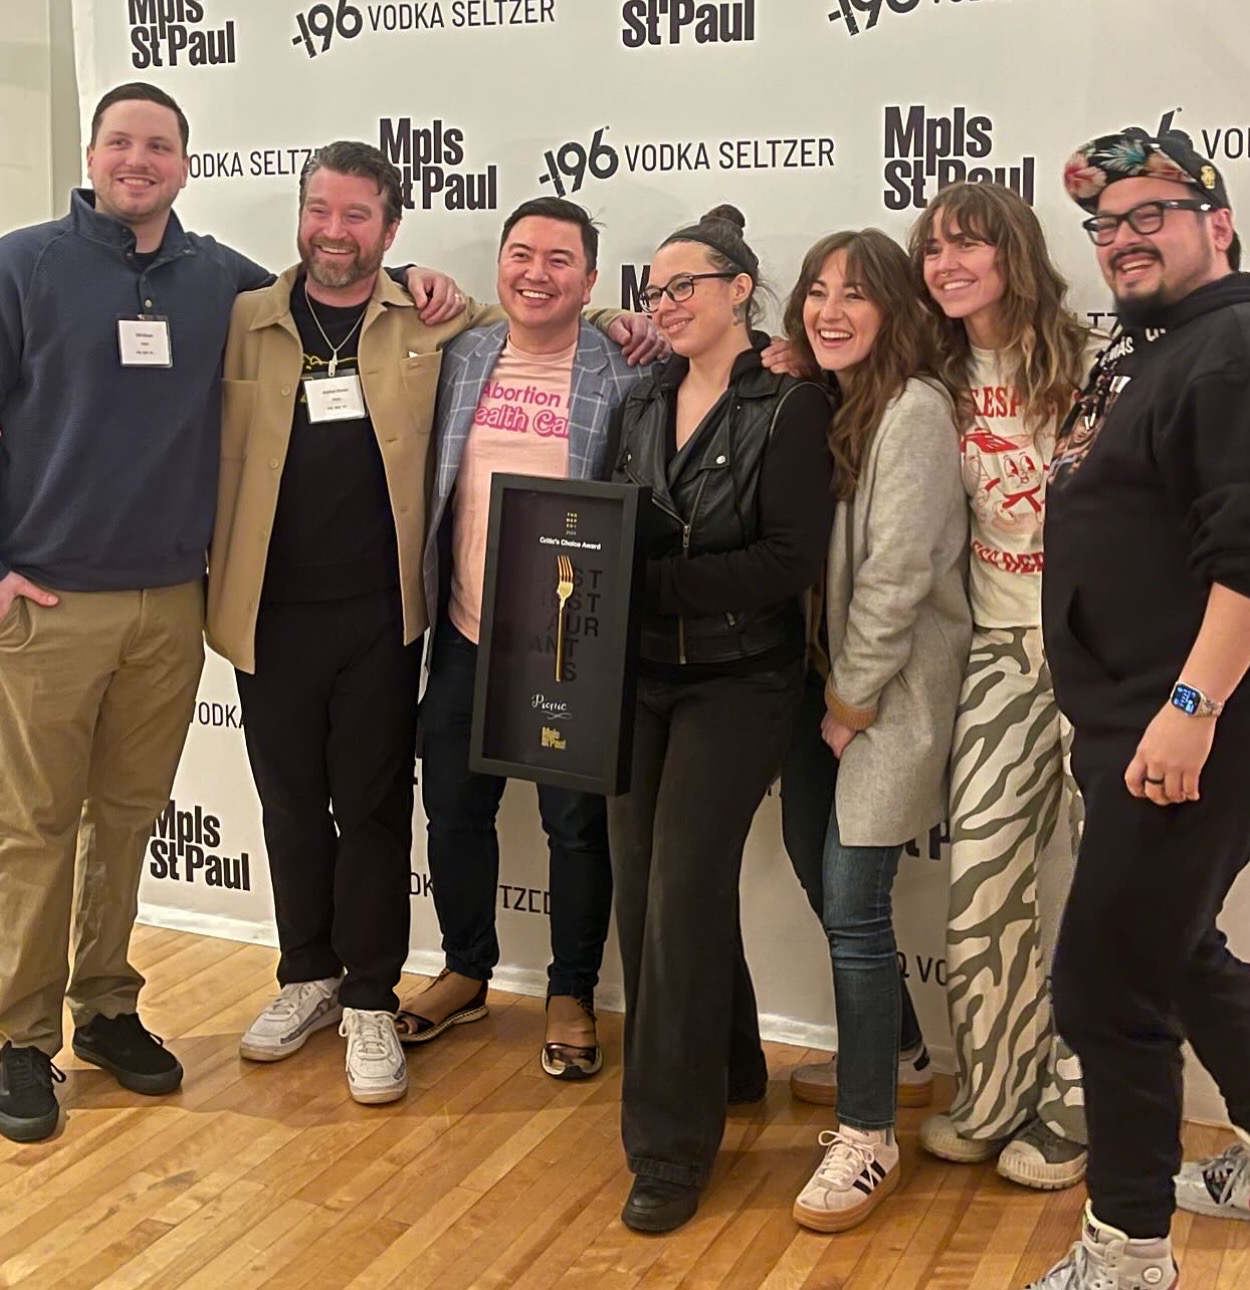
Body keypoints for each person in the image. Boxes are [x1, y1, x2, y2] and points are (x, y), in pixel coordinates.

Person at [0, 81, 472, 1144]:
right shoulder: (25, 266)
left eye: (158, 145)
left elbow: (421, 308)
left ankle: (109, 1008)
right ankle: (22, 1039)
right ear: (93, 153)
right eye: (121, 141)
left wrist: (441, 286)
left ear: (185, 163)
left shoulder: (222, 283)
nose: (138, 160)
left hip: (182, 602)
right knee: (34, 826)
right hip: (58, 601)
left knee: (129, 819)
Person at [205, 141, 528, 1104]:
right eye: (320, 210)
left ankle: (370, 998)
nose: (332, 231)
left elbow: (541, 321)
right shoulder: (243, 318)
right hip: (267, 613)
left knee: (376, 808)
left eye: (355, 215)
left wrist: (628, 323)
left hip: (383, 619)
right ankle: (305, 975)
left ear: (390, 228)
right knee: (289, 805)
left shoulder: (432, 316)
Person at [1026, 127, 1250, 1289]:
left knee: (1106, 985)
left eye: (1152, 216)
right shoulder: (1158, 346)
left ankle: (1128, 1251)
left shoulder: (1238, 347)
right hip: (1128, 715)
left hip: (1187, 723)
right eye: (1107, 224)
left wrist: (1191, 705)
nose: (1123, 238)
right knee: (1172, 950)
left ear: (1216, 223)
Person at [605, 205, 834, 1233]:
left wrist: (654, 586)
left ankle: (668, 1148)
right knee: (644, 890)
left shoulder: (790, 405)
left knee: (682, 895)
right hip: (637, 678)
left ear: (741, 289)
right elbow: (603, 524)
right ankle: (733, 1063)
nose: (665, 305)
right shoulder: (639, 399)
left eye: (684, 286)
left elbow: (788, 560)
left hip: (742, 681)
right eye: (654, 291)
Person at [394, 197, 649, 1083]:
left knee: (574, 826)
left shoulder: (625, 368)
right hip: (466, 631)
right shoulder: (462, 354)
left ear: (590, 277)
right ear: (499, 264)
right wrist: (411, 274)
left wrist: (627, 323)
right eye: (521, 255)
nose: (536, 274)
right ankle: (466, 970)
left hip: (571, 645)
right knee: (453, 808)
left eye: (559, 260)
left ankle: (571, 992)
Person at [905, 182, 1095, 1190]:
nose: (947, 264)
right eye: (933, 247)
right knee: (979, 883)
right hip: (997, 647)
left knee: (1110, 892)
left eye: (968, 244)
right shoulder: (929, 371)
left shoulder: (1092, 361)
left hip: (1104, 658)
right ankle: (998, 1088)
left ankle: (1083, 1098)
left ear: (1013, 251)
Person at [778, 230, 968, 1232]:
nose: (830, 310)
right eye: (817, 291)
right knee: (821, 878)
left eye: (855, 293)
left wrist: (850, 705)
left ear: (896, 309)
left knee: (854, 903)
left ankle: (868, 1135)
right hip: (825, 686)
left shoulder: (916, 410)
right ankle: (900, 1055)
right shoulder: (834, 402)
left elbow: (896, 578)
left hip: (887, 698)